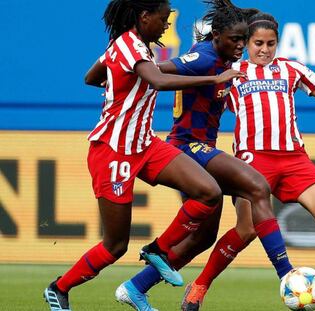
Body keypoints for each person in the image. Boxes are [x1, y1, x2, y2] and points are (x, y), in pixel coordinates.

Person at [42, 0, 247, 310]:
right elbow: (159, 80)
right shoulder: (129, 45)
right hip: (112, 152)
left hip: (145, 145)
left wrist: (119, 84)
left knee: (208, 192)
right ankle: (59, 288)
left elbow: (92, 76)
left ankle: (158, 250)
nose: (166, 25)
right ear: (144, 16)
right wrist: (212, 79)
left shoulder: (132, 47)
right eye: (163, 19)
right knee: (115, 246)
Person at [183, 11, 315, 311]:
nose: (264, 50)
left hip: (295, 160)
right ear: (246, 42)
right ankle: (200, 285)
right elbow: (201, 98)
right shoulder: (233, 71)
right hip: (253, 162)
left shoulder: (291, 69)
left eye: (271, 43)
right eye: (258, 43)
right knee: (246, 229)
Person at [114, 2, 295, 311]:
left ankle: (135, 287)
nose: (242, 46)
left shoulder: (220, 57)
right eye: (238, 39)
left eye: (244, 39)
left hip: (200, 147)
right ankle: (288, 276)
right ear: (219, 35)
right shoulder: (204, 57)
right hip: (186, 146)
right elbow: (157, 71)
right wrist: (116, 75)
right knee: (257, 185)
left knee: (204, 237)